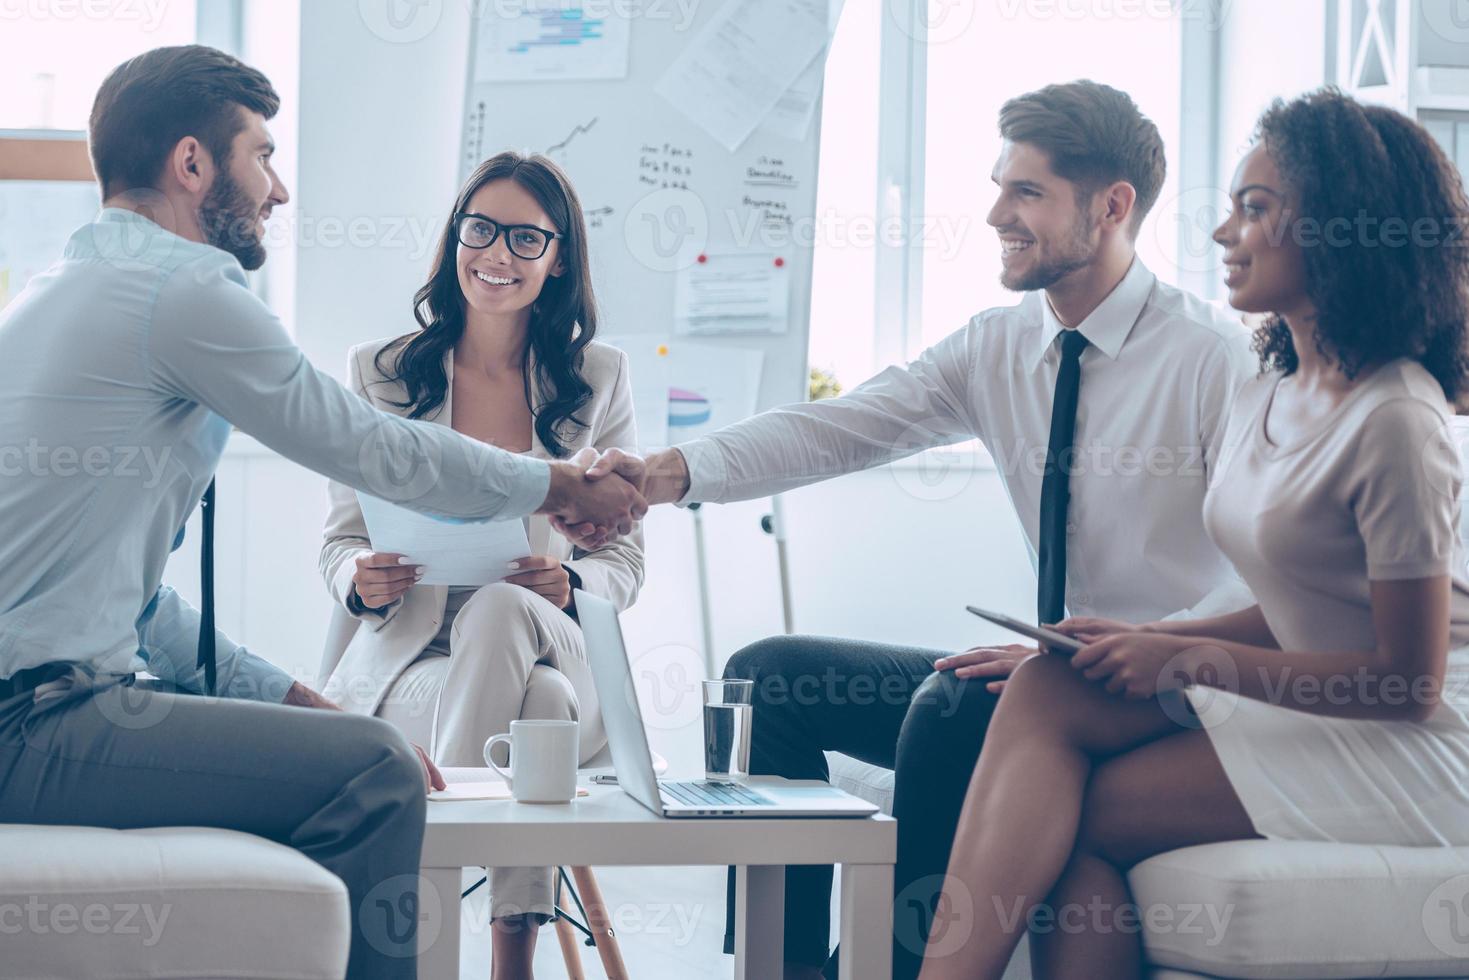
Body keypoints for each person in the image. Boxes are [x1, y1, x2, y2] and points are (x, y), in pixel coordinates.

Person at [578, 80, 1255, 980]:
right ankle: (788, 971)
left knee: (952, 704)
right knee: (769, 678)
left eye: (1025, 193)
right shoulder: (996, 347)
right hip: (1049, 673)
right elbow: (839, 428)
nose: (993, 215)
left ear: (1112, 205)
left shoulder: (1213, 361)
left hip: (1162, 694)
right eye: (996, 185)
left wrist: (1089, 659)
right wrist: (663, 475)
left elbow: (1262, 577)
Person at [0, 46, 641, 980]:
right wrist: (557, 484)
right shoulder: (181, 291)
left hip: (42, 706)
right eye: (261, 155)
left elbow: (132, 606)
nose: (280, 188)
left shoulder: (58, 293)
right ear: (192, 164)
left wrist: (296, 698)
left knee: (366, 741)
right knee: (375, 770)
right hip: (38, 725)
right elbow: (366, 447)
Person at [915, 87, 1469, 980]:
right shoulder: (1272, 383)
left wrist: (1184, 661)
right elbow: (1304, 606)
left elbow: (1407, 681)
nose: (1222, 234)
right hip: (1320, 700)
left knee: (1073, 816)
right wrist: (1155, 637)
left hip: (1422, 744)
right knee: (1050, 688)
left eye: (1254, 209)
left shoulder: (1395, 417)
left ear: (1338, 229)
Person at [319, 150, 642, 978]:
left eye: (525, 239)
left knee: (507, 612)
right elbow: (339, 538)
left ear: (559, 256)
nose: (497, 254)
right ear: (454, 238)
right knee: (543, 705)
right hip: (419, 648)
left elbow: (628, 561)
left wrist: (571, 585)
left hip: (549, 630)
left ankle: (424, 918)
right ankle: (512, 966)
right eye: (480, 229)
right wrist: (357, 578)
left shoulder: (597, 379)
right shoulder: (382, 373)